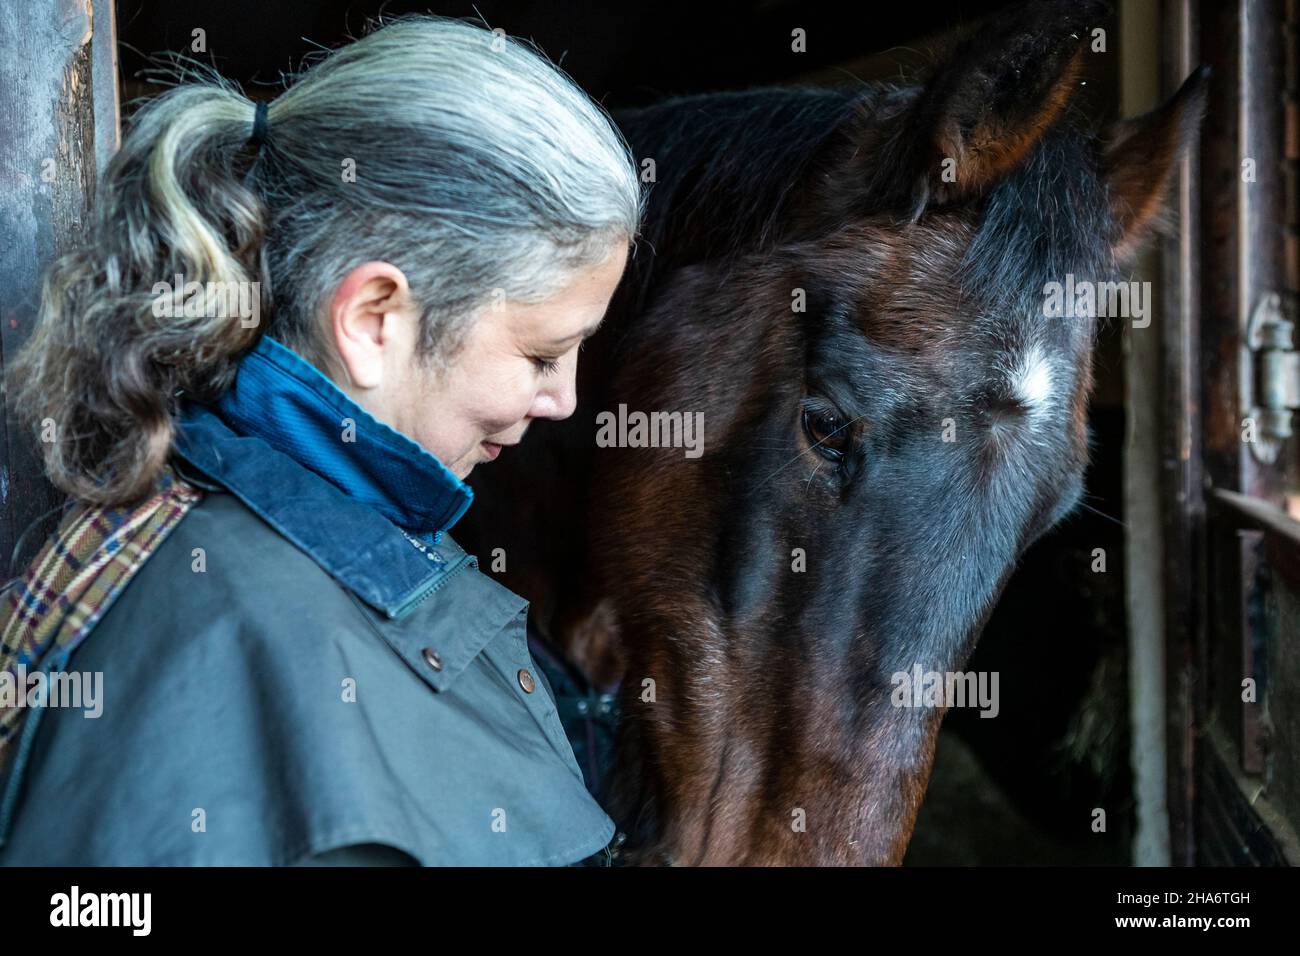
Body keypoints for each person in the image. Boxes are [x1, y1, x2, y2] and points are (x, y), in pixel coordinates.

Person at [0, 14, 641, 866]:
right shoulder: (210, 631)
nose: (563, 398)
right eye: (541, 353)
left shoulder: (370, 551)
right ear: (374, 318)